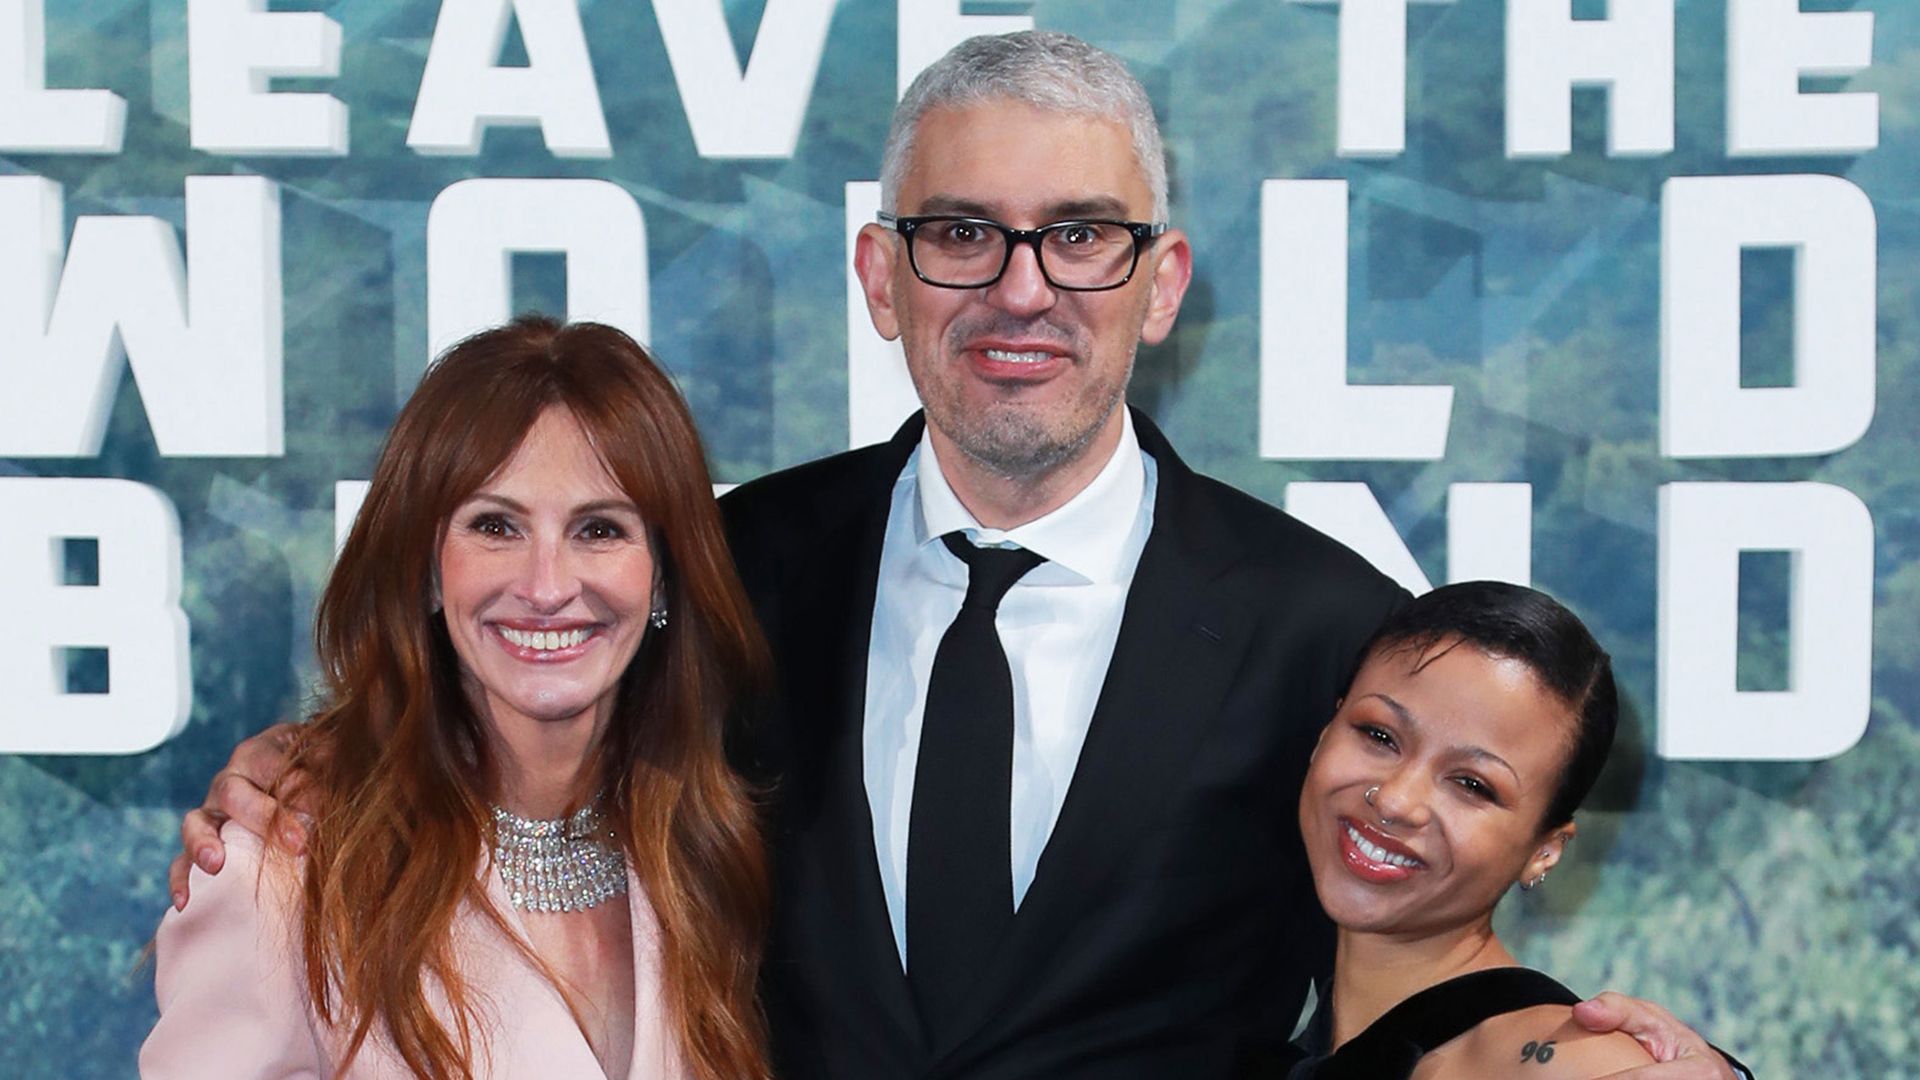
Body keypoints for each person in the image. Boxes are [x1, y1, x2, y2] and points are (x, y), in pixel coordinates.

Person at [169, 31, 1744, 1080]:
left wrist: (1628, 1058)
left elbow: (1431, 909)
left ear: (1162, 279)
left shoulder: (1326, 627)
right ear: (882, 271)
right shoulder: (729, 570)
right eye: (960, 234)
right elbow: (520, 704)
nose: (1021, 289)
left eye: (1082, 236)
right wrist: (308, 764)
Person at [142, 318, 772, 1080]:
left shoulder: (711, 858)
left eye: (600, 529)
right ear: (428, 569)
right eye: (495, 526)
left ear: (664, 575)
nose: (548, 587)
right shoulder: (282, 872)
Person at [1290, 581, 1674, 1078]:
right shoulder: (1258, 1014)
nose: (1395, 799)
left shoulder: (1566, 1066)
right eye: (1379, 735)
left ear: (1545, 849)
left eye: (1472, 784)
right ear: (1326, 733)